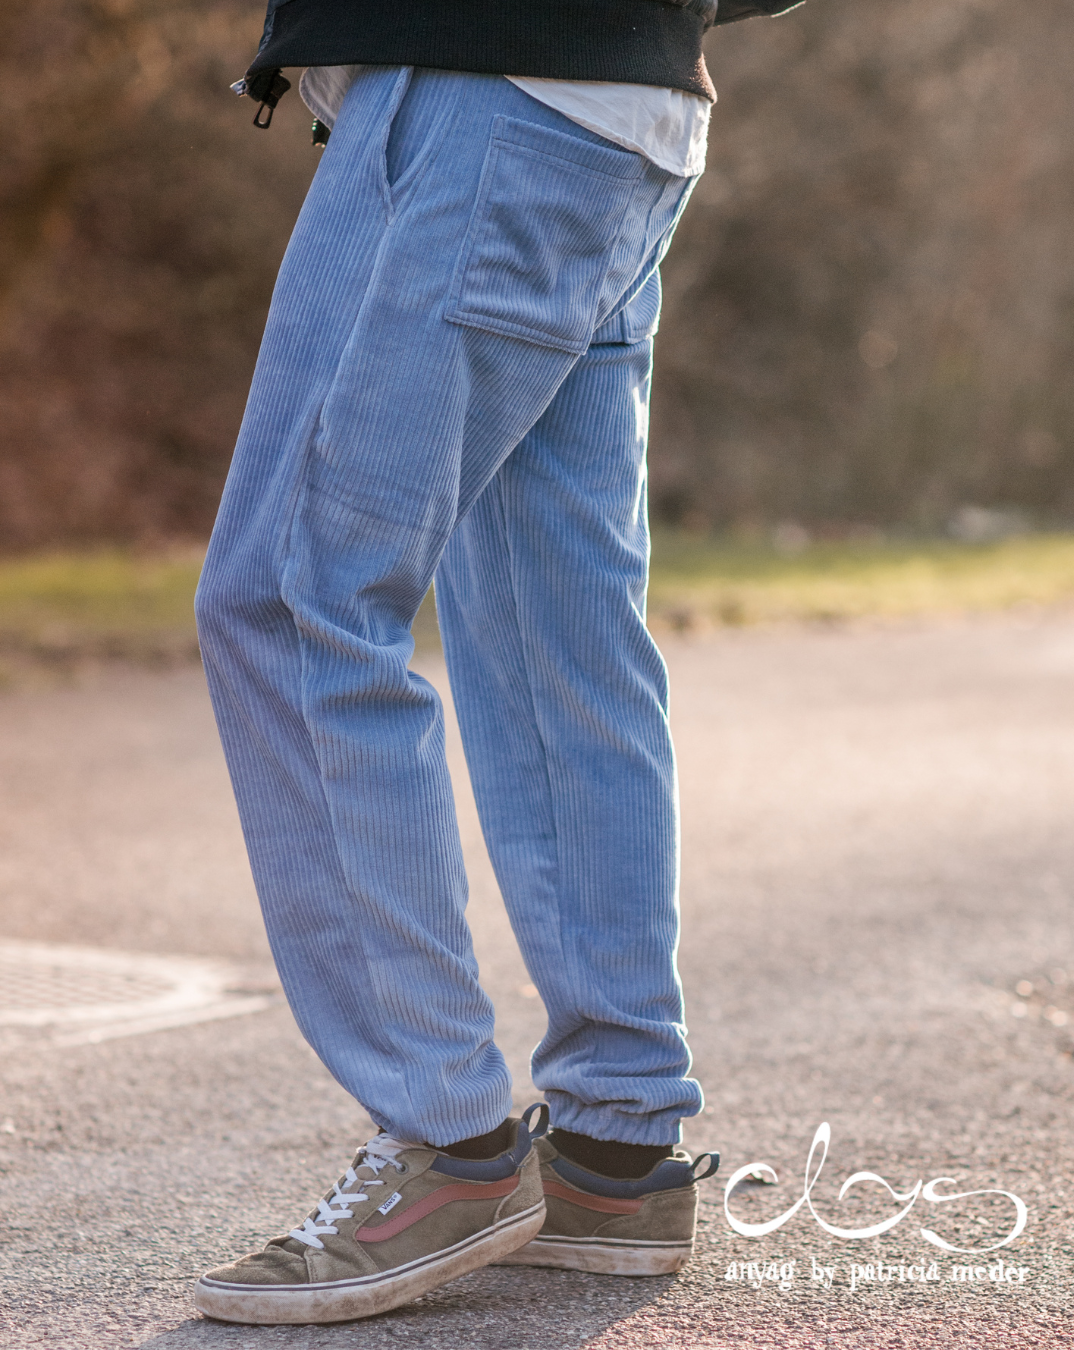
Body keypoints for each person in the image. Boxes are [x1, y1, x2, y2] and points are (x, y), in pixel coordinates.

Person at [192, 0, 801, 1326]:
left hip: (475, 87)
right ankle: (614, 1149)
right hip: (621, 112)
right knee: (554, 627)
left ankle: (445, 1141)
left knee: (298, 597)